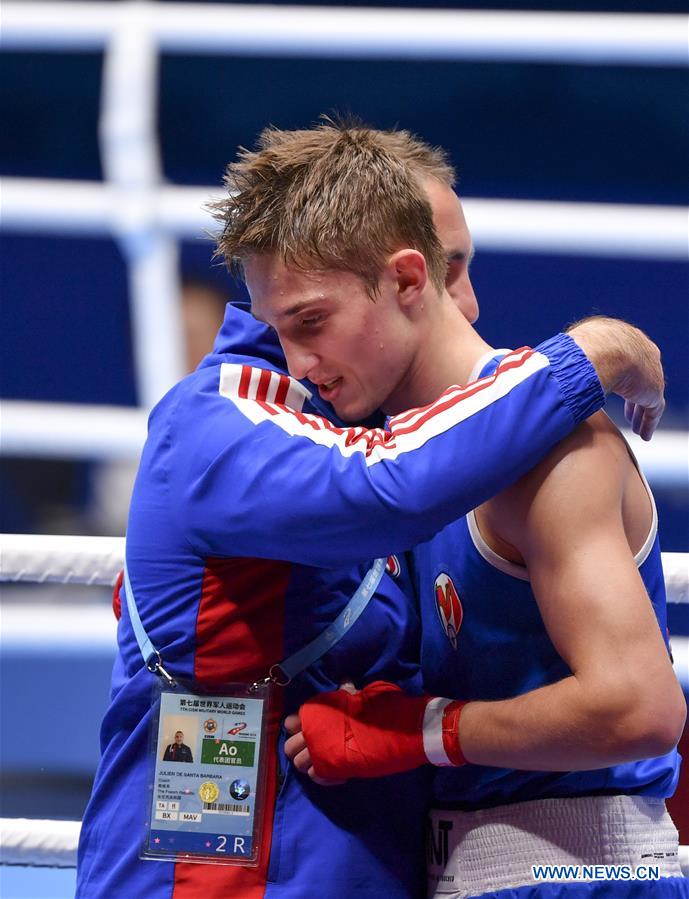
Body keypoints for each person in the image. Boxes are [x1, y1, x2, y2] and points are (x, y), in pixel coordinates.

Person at [77, 120, 668, 899]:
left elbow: (638, 711)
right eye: (285, 324)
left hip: (432, 865)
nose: (468, 302)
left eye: (461, 267)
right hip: (208, 861)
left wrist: (415, 730)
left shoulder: (502, 446)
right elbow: (386, 488)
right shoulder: (220, 426)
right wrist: (592, 350)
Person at [274, 129, 688, 895]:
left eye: (309, 323)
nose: (297, 363)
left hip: (578, 871)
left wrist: (417, 729)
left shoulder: (552, 452)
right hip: (456, 865)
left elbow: (640, 707)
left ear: (412, 279)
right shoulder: (380, 457)